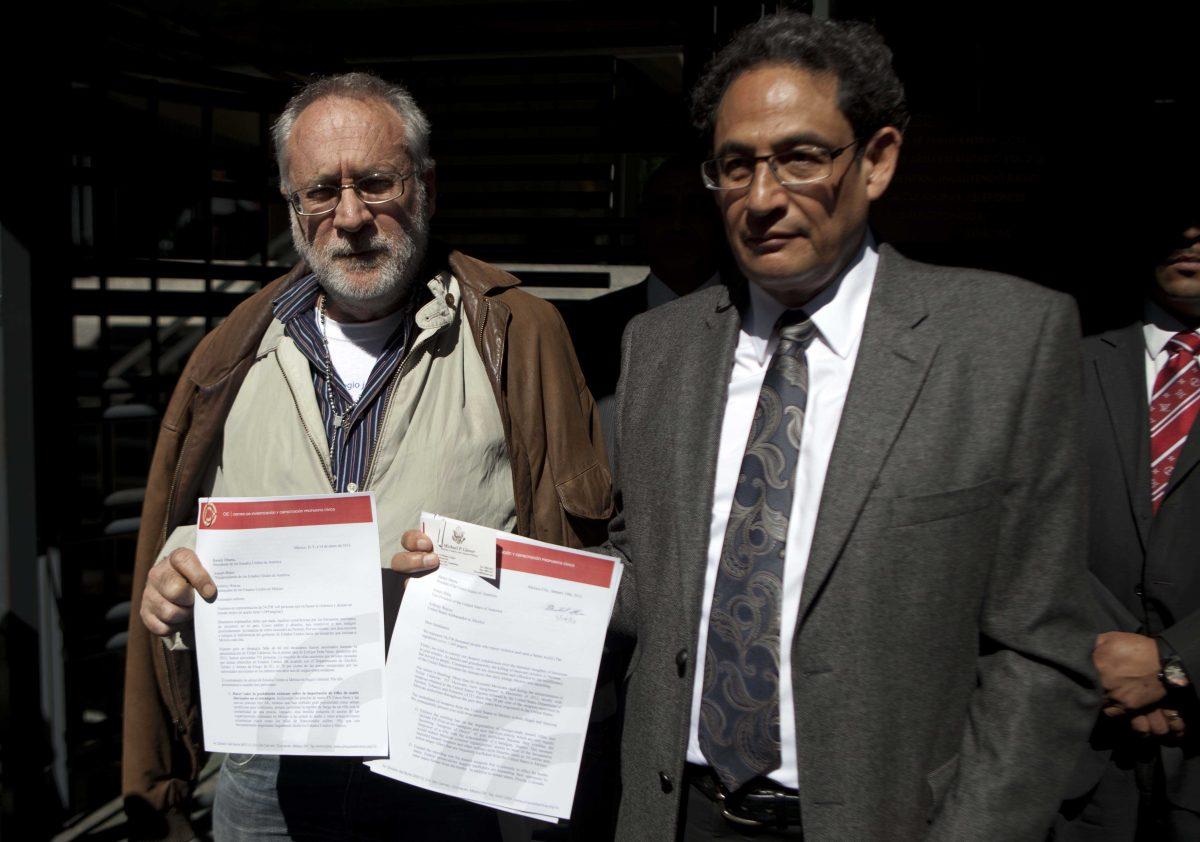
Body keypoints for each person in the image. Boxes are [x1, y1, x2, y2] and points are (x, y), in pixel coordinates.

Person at [604, 13, 1097, 841]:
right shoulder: (660, 347)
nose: (762, 199)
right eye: (735, 167)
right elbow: (645, 571)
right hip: (675, 814)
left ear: (877, 160)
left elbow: (1039, 650)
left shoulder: (1003, 342)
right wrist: (485, 571)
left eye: (799, 157)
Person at [122, 71, 612, 841]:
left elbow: (583, 553)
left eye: (376, 183)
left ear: (426, 187)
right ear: (291, 206)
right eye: (321, 191)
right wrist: (177, 569)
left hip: (446, 760)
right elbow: (193, 529)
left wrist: (487, 570)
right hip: (269, 770)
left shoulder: (518, 335)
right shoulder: (233, 353)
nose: (349, 217)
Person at [1055, 207, 1200, 839]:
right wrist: (1110, 664)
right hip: (1080, 758)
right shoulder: (1062, 366)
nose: (1191, 236)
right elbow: (1019, 534)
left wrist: (1175, 664)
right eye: (1178, 217)